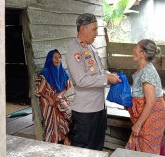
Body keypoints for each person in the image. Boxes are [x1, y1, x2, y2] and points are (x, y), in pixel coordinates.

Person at [66, 13, 121, 150]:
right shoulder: (75, 51)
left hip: (99, 108)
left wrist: (109, 74)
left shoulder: (91, 48)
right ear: (82, 28)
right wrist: (106, 78)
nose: (97, 33)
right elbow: (81, 80)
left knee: (97, 146)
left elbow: (98, 72)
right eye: (94, 29)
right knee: (84, 149)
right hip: (86, 112)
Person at [125, 39, 165, 154]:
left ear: (143, 53)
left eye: (136, 48)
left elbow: (151, 102)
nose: (133, 50)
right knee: (139, 150)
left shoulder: (148, 72)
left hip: (152, 118)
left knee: (147, 152)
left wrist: (138, 125)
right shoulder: (142, 69)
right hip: (146, 116)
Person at [35, 49, 72, 145]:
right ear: (50, 59)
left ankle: (65, 137)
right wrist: (49, 98)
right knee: (55, 113)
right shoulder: (45, 73)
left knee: (69, 112)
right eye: (55, 57)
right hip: (48, 100)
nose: (58, 59)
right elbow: (39, 90)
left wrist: (59, 94)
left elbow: (66, 86)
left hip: (59, 98)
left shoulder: (62, 71)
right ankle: (57, 139)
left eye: (59, 57)